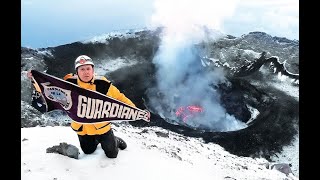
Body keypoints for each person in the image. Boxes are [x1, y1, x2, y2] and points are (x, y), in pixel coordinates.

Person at [27, 55, 139, 158]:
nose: (86, 72)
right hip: (82, 128)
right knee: (88, 151)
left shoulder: (103, 85)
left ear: (93, 70)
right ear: (77, 72)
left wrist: (135, 111)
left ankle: (115, 141)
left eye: (88, 69)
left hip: (102, 127)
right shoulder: (69, 84)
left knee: (112, 154)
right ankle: (96, 141)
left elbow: (120, 98)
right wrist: (34, 80)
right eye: (82, 69)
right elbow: (48, 89)